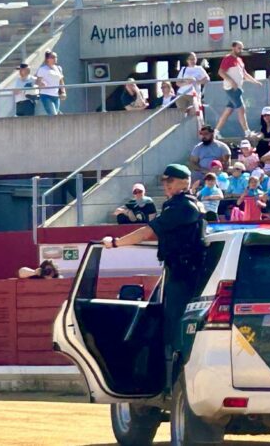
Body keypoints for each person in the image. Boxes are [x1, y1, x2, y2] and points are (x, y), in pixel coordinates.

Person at [101, 163, 207, 386]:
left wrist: (116, 243)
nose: (166, 185)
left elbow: (147, 232)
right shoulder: (185, 204)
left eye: (169, 181)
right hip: (182, 271)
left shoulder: (182, 206)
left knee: (175, 327)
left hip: (183, 274)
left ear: (183, 183)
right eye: (165, 182)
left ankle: (174, 383)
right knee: (172, 325)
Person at [215, 40, 261, 137]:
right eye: (239, 48)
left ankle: (216, 132)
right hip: (231, 88)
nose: (241, 50)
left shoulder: (240, 60)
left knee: (228, 111)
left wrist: (255, 82)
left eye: (242, 48)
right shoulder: (228, 58)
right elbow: (221, 72)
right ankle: (247, 132)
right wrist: (231, 81)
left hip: (238, 89)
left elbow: (244, 74)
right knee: (241, 108)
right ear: (233, 47)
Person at [175, 51, 209, 117]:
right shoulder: (183, 69)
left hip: (194, 94)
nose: (192, 61)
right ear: (187, 60)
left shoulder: (199, 69)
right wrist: (186, 83)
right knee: (182, 114)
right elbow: (177, 83)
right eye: (190, 59)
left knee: (194, 113)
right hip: (182, 94)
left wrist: (196, 82)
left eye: (194, 59)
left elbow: (207, 79)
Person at [34, 50, 65, 116]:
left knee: (55, 115)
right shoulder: (42, 69)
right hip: (46, 95)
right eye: (52, 57)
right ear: (48, 59)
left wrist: (63, 92)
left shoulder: (58, 68)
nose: (55, 59)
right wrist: (41, 84)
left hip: (56, 95)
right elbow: (37, 81)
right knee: (53, 114)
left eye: (56, 57)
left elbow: (61, 81)